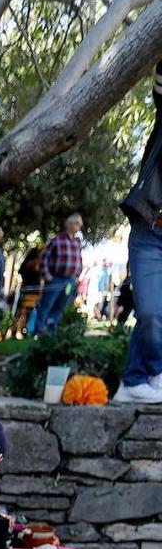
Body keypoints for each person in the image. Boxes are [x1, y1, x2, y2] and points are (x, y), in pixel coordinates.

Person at [115, 61, 162, 403]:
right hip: (151, 229)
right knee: (149, 310)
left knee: (155, 310)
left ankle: (133, 381)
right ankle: (155, 373)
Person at [35, 213, 84, 334]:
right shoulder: (57, 240)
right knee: (46, 305)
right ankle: (38, 332)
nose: (80, 226)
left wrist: (77, 275)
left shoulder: (77, 242)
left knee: (60, 307)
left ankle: (51, 331)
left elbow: (79, 260)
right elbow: (44, 258)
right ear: (69, 224)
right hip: (55, 278)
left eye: (80, 224)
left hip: (70, 281)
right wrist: (46, 275)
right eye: (77, 223)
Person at [13, 246, 43, 336]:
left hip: (34, 291)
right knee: (23, 312)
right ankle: (18, 330)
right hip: (28, 291)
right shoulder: (32, 263)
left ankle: (26, 330)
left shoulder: (34, 263)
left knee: (28, 311)